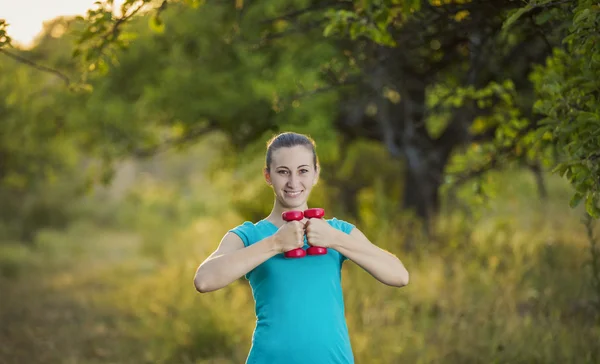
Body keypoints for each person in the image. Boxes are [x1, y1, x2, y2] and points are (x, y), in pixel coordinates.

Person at [193, 132, 409, 364]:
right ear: (268, 176)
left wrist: (335, 239)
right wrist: (275, 243)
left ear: (316, 174)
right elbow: (204, 280)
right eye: (283, 172)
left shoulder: (338, 231)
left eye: (303, 171)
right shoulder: (250, 235)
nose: (293, 183)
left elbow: (399, 276)